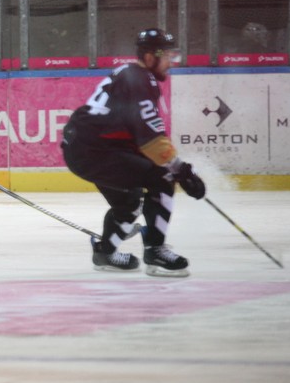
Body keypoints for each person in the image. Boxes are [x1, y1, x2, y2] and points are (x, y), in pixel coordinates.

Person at [60, 28, 206, 277]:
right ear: (150, 56)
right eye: (168, 56)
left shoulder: (130, 74)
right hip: (96, 151)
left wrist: (178, 168)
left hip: (84, 148)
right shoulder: (141, 80)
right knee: (163, 177)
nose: (171, 62)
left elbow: (136, 135)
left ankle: (105, 253)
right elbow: (150, 138)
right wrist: (181, 171)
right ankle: (156, 252)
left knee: (128, 201)